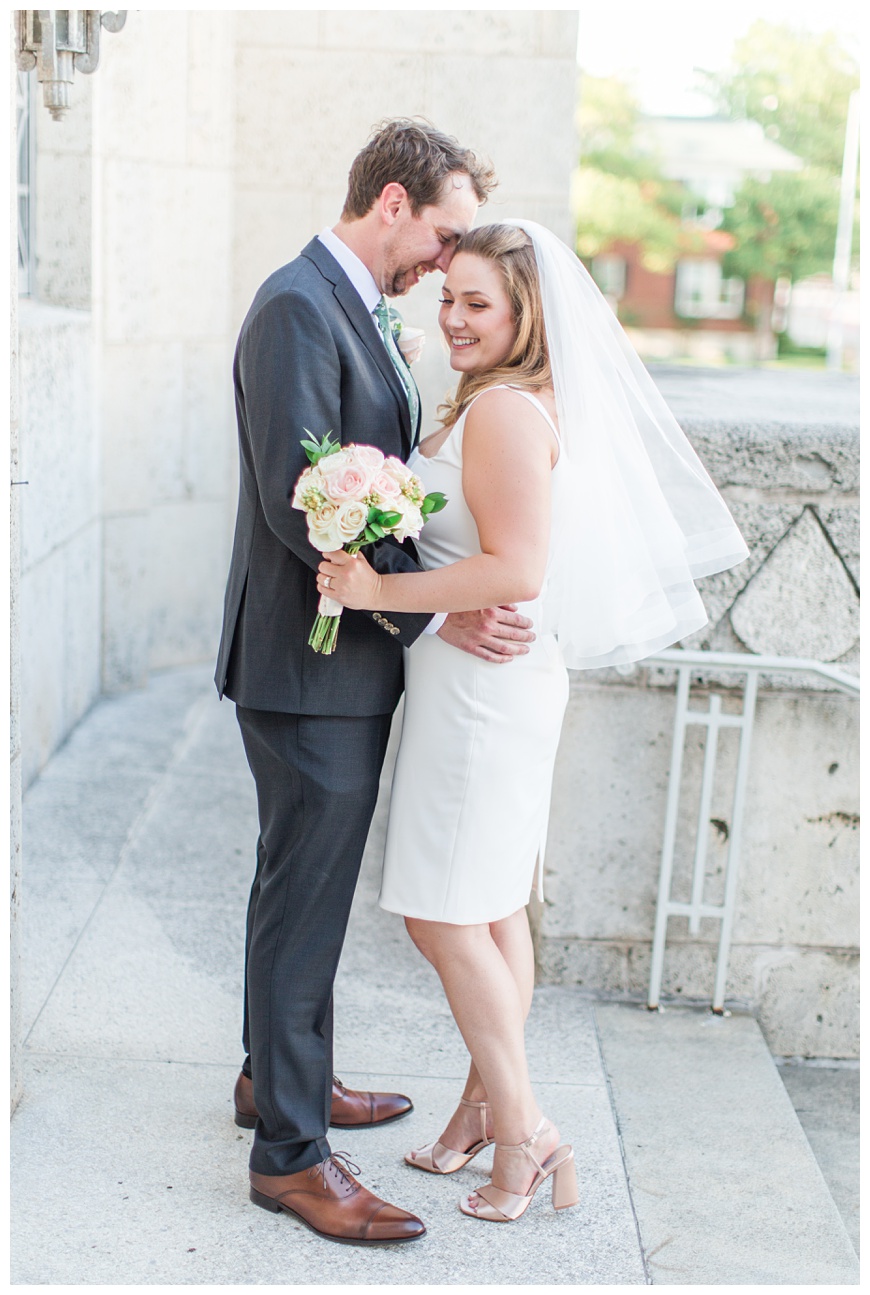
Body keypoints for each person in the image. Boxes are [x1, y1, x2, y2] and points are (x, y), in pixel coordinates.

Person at [317, 220, 750, 1224]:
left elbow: (517, 568)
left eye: (480, 303)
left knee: (443, 912)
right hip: (481, 682)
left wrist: (377, 579)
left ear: (527, 316)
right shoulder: (497, 397)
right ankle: (480, 1107)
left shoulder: (509, 410)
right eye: (450, 296)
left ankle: (525, 1130)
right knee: (494, 906)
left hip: (480, 692)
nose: (456, 317)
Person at [213, 120, 543, 1246]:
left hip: (342, 660)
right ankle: (293, 1159)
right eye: (443, 234)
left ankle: (275, 1082)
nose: (444, 266)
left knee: (293, 889)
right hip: (306, 665)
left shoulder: (357, 309)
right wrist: (438, 600)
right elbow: (302, 499)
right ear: (392, 202)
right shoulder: (300, 305)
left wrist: (432, 592)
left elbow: (378, 484)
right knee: (304, 904)